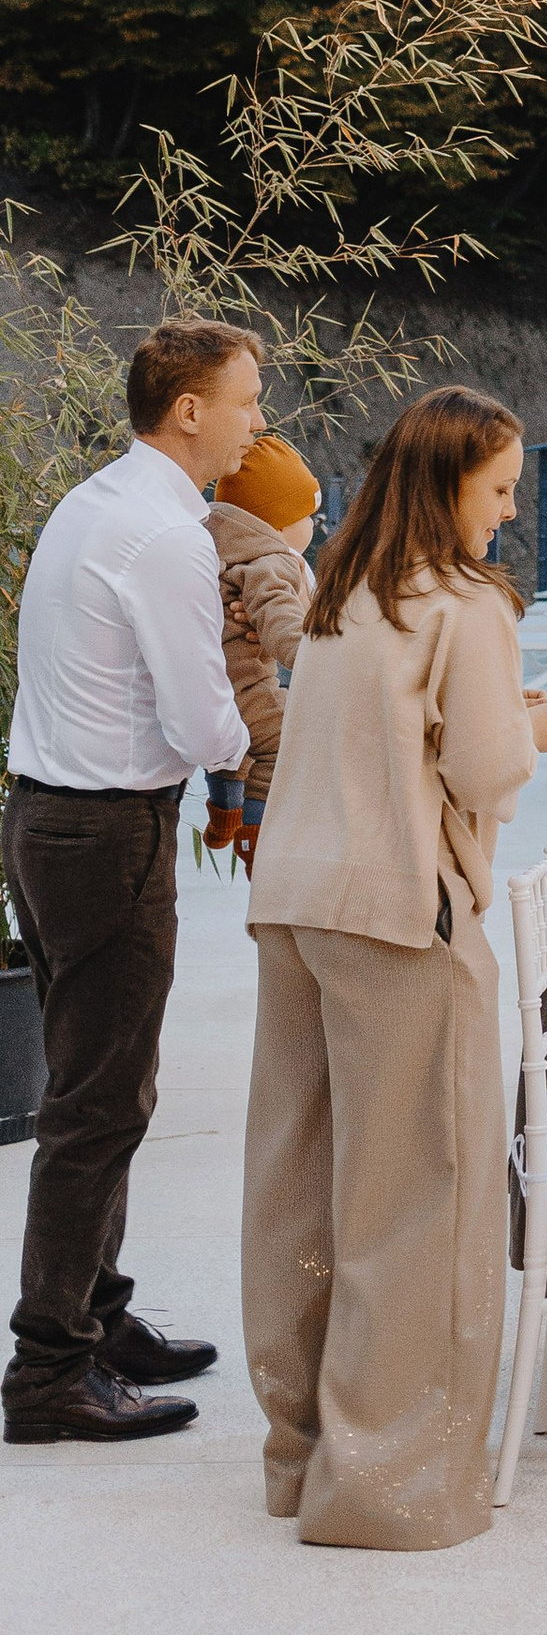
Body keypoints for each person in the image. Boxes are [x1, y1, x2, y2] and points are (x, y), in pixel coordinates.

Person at [241, 385, 547, 1548]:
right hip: (397, 913)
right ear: (448, 486)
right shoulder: (462, 605)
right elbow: (484, 770)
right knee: (417, 1201)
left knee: (302, 1185)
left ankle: (303, 1457)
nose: (509, 511)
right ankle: (386, 1488)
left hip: (297, 904)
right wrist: (531, 731)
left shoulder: (345, 594)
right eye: (498, 489)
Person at [2, 319, 263, 1445]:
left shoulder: (100, 500)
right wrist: (253, 733)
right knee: (99, 1104)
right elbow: (204, 719)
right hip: (107, 835)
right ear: (190, 409)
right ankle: (50, 1371)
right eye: (248, 400)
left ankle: (96, 1319)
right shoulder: (165, 536)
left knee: (94, 1089)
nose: (260, 421)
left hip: (49, 820)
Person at [202, 431, 322, 871]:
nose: (313, 524)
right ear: (280, 523)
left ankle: (224, 814)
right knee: (281, 738)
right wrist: (310, 655)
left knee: (238, 749)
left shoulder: (222, 551)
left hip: (217, 684)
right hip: (248, 684)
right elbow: (279, 618)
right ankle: (255, 841)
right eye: (309, 514)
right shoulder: (271, 561)